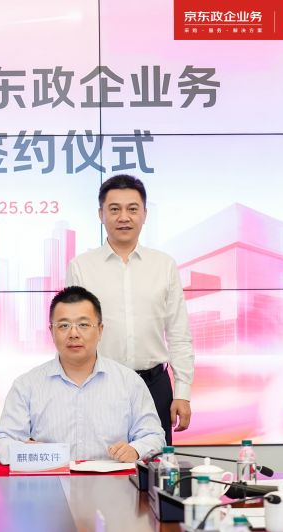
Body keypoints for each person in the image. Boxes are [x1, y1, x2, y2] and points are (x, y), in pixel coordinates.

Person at [66, 174, 194, 445]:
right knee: (99, 462)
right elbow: (73, 334)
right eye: (114, 209)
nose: (124, 217)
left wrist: (182, 393)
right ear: (101, 214)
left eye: (132, 209)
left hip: (154, 385)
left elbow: (179, 333)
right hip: (99, 384)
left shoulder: (164, 265)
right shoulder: (82, 267)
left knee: (156, 465)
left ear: (144, 214)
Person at [0, 286, 165, 464]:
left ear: (100, 330)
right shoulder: (27, 385)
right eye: (64, 326)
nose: (73, 334)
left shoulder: (129, 381)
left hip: (113, 480)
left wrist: (135, 450)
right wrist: (25, 451)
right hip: (49, 480)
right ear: (51, 331)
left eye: (83, 325)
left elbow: (154, 436)